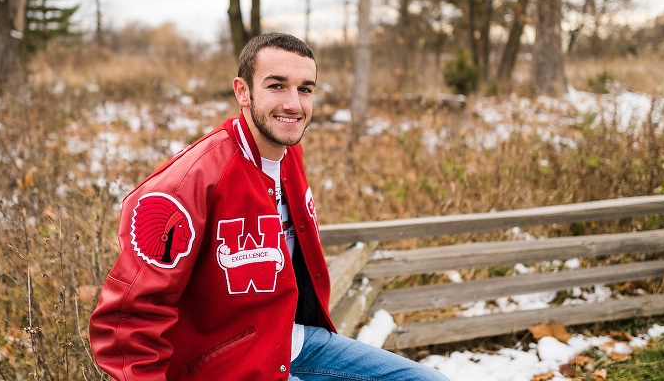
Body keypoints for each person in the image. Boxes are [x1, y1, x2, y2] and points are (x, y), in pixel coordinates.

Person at [89, 32, 448, 381]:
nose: (293, 104)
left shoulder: (289, 154)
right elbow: (126, 320)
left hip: (291, 343)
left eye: (305, 89)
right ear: (242, 92)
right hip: (222, 365)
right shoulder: (188, 182)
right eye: (276, 85)